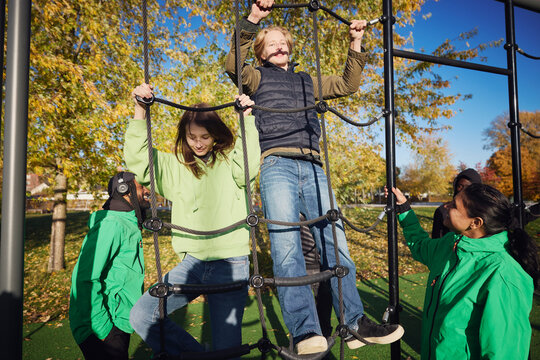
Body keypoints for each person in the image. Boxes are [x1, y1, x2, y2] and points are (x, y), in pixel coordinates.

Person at [225, 0, 403, 354]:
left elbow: (349, 84)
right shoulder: (256, 77)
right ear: (261, 51)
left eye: (283, 40)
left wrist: (355, 42)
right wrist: (254, 19)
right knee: (287, 247)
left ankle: (353, 324)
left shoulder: (309, 81)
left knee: (336, 243)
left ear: (290, 49)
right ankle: (305, 332)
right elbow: (233, 64)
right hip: (277, 165)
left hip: (314, 165)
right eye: (271, 41)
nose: (279, 45)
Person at [125, 84, 260, 358]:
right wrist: (140, 110)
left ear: (216, 136)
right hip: (192, 264)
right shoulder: (176, 167)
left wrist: (247, 119)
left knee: (227, 351)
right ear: (184, 136)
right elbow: (139, 161)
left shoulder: (230, 163)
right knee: (142, 315)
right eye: (192, 137)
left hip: (231, 263)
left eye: (205, 137)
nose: (198, 143)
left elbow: (249, 165)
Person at [389, 184, 539, 360]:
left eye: (454, 205)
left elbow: (504, 352)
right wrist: (404, 208)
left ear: (475, 222)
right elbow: (421, 245)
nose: (445, 206)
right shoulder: (451, 245)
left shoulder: (503, 273)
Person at [69, 171, 150, 360]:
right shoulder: (111, 224)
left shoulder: (127, 223)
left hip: (118, 321)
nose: (147, 191)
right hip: (102, 327)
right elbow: (84, 278)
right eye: (141, 186)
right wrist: (104, 329)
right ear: (124, 190)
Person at [432, 168, 482, 239]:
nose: (462, 191)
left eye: (468, 187)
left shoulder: (484, 212)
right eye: (460, 186)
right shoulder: (442, 211)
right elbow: (435, 242)